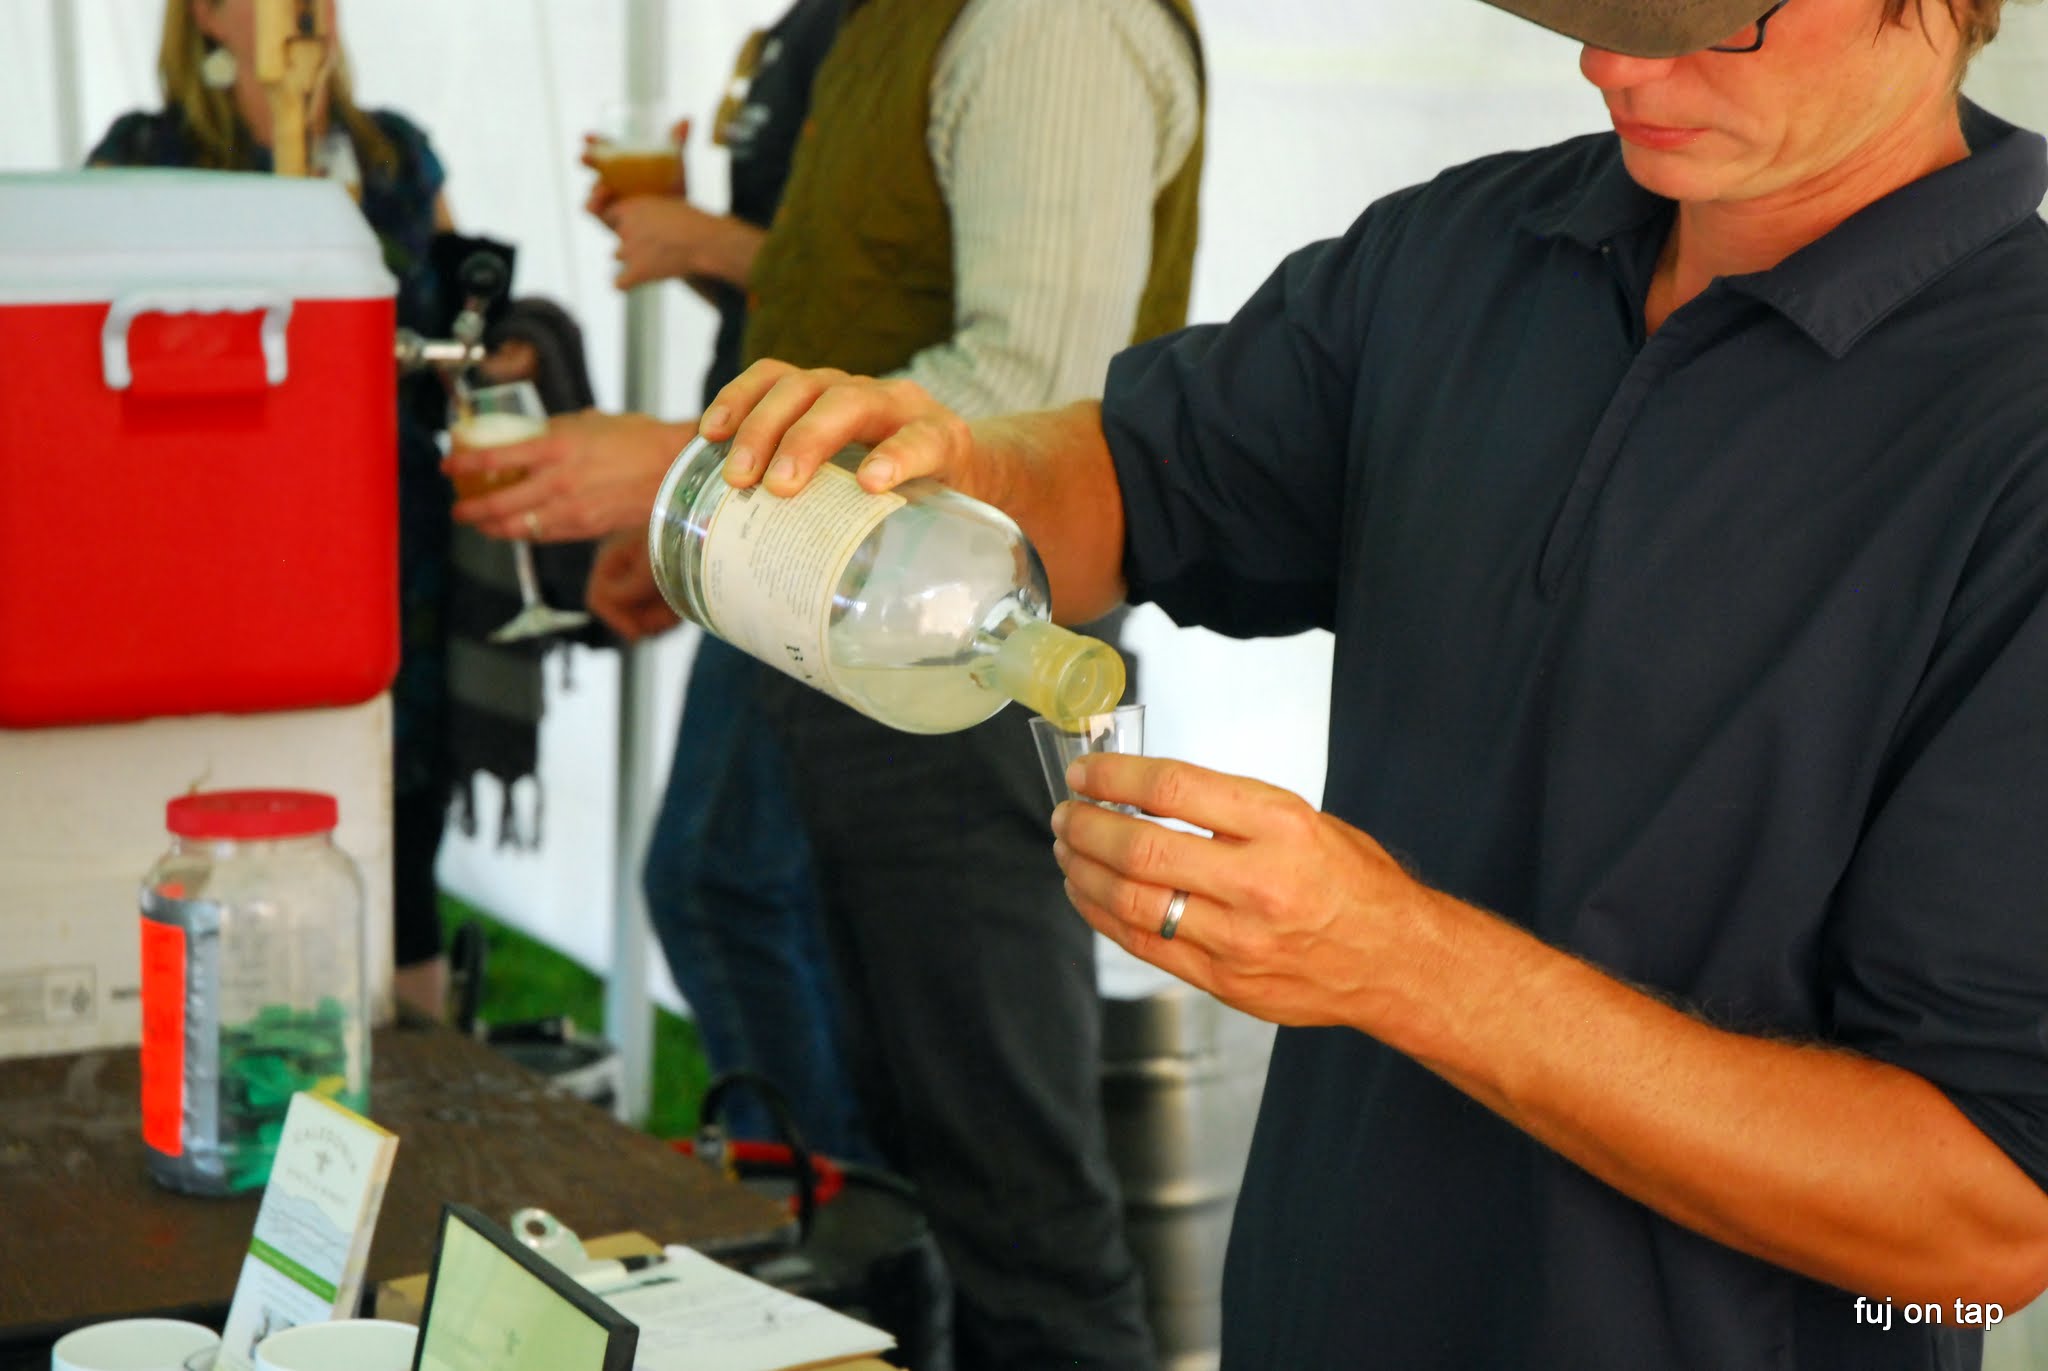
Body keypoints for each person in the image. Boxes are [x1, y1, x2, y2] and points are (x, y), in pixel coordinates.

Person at [599, 0, 2048, 1366]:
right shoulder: (1476, 252)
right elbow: (1138, 478)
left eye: (1704, 23)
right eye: (1589, 15)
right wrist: (962, 462)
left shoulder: (2011, 434)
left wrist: (1402, 961)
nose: (1613, 68)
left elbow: (1983, 1224)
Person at [448, 2, 1207, 1365]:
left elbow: (1028, 384)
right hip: (857, 636)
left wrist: (686, 470)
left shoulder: (1051, 24)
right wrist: (714, 553)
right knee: (899, 1155)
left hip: (971, 648)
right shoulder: (882, 22)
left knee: (1014, 1200)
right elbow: (837, 297)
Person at [91, 0, 487, 1018]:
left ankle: (419, 1044)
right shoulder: (147, 158)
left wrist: (503, 347)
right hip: (213, 529)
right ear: (206, 15)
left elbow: (459, 319)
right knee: (225, 775)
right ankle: (222, 1026)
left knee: (403, 780)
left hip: (390, 523)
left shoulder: (394, 152)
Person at [580, 0, 872, 1163]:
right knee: (762, 885)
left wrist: (701, 239)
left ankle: (810, 1199)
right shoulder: (798, 32)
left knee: (716, 877)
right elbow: (799, 293)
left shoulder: (923, 34)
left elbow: (896, 310)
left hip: (825, 509)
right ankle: (819, 1193)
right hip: (759, 495)